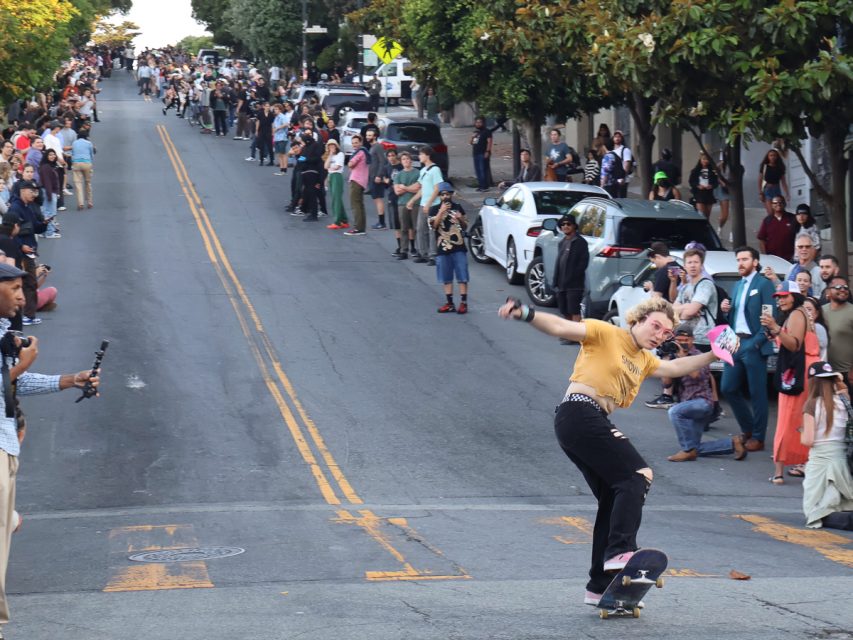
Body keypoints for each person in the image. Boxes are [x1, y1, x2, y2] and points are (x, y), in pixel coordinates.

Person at [497, 296, 721, 605]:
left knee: (613, 495)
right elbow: (561, 326)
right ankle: (619, 551)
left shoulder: (644, 359)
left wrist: (713, 354)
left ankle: (599, 584)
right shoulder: (607, 333)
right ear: (637, 320)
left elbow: (677, 365)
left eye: (666, 332)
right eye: (655, 326)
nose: (659, 334)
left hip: (589, 419)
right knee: (637, 475)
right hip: (579, 412)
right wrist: (525, 313)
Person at [0, 261, 100, 637]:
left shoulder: (5, 334)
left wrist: (69, 380)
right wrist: (18, 368)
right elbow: (6, 383)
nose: (23, 299)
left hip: (6, 443)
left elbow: (13, 388)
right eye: (14, 291)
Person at [760, 281, 819, 484]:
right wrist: (776, 333)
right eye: (778, 297)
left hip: (798, 373)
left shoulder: (796, 314)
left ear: (795, 296)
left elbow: (794, 345)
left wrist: (775, 328)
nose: (781, 300)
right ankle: (805, 463)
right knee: (803, 420)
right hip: (805, 372)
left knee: (787, 420)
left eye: (785, 296)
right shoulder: (799, 313)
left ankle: (778, 471)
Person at [719, 246, 777, 451]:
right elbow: (736, 318)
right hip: (734, 341)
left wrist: (758, 342)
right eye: (738, 260)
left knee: (757, 392)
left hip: (753, 342)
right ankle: (748, 428)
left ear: (755, 262)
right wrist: (726, 310)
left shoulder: (763, 284)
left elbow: (770, 315)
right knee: (727, 387)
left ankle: (759, 437)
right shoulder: (738, 285)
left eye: (744, 259)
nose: (740, 263)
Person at [666, 324, 747, 461]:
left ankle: (686, 450)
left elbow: (695, 374)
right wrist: (667, 359)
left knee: (674, 412)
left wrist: (681, 356)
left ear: (692, 340)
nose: (683, 344)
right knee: (696, 448)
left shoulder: (699, 356)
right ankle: (733, 443)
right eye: (679, 340)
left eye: (686, 340)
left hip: (701, 403)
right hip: (687, 404)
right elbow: (666, 383)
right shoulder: (674, 356)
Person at [801, 361, 853, 530]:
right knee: (834, 493)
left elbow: (808, 440)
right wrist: (837, 378)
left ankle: (844, 521)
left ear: (811, 381)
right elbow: (843, 388)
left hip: (820, 460)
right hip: (840, 458)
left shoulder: (811, 404)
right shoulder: (844, 400)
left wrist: (801, 431)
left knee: (812, 511)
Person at [429, 182, 469, 314]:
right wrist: (441, 212)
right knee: (446, 277)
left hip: (459, 247)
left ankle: (463, 302)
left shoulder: (458, 207)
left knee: (462, 275)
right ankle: (449, 303)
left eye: (447, 194)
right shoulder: (433, 209)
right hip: (443, 247)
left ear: (451, 194)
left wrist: (460, 218)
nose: (445, 197)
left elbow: (465, 226)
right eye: (442, 194)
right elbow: (433, 226)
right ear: (439, 196)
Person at [672, 248, 717, 350]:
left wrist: (682, 312)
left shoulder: (705, 285)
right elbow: (672, 310)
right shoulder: (685, 287)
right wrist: (686, 307)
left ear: (701, 265)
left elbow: (690, 312)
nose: (692, 265)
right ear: (684, 266)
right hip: (684, 338)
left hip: (702, 339)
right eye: (689, 262)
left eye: (696, 262)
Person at [408, 146, 443, 265]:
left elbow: (437, 188)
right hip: (423, 204)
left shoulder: (435, 170)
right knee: (420, 228)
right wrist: (412, 200)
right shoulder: (423, 171)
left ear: (427, 155)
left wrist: (429, 203)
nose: (419, 157)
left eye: (421, 154)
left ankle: (433, 255)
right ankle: (423, 252)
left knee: (431, 229)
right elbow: (422, 189)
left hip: (433, 204)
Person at [763, 232, 824, 298]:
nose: (804, 249)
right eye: (800, 247)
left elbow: (824, 296)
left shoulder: (819, 271)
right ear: (796, 249)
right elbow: (785, 291)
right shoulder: (791, 268)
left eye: (807, 247)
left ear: (812, 249)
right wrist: (774, 278)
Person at [553, 214, 588, 327]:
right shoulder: (562, 242)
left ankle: (575, 334)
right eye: (563, 224)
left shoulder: (580, 242)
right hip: (561, 284)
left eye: (568, 224)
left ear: (574, 226)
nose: (565, 226)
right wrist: (555, 281)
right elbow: (559, 263)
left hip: (574, 285)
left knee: (574, 310)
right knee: (564, 310)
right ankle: (569, 333)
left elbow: (583, 264)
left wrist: (573, 277)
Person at [822, 276, 853, 394]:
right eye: (838, 287)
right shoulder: (820, 311)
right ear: (828, 291)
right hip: (825, 371)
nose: (843, 289)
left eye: (845, 287)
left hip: (847, 374)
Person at [393, 152, 420, 260]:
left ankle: (419, 249)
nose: (406, 161)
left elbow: (418, 188)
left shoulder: (417, 173)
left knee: (416, 227)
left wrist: (404, 187)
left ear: (411, 160)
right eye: (403, 159)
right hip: (402, 203)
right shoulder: (399, 175)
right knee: (404, 227)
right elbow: (397, 191)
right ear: (401, 161)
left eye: (407, 159)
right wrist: (409, 188)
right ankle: (404, 250)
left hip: (416, 203)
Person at [757, 195, 797, 262]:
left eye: (780, 202)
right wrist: (766, 256)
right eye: (775, 203)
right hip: (772, 258)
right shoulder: (767, 220)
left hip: (790, 258)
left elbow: (799, 237)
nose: (778, 204)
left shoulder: (793, 218)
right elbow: (762, 240)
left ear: (784, 204)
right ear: (772, 205)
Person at [344, 134, 368, 236]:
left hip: (356, 180)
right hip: (362, 181)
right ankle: (361, 228)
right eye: (353, 143)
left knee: (355, 205)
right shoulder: (364, 152)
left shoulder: (360, 152)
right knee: (360, 205)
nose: (354, 145)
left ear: (361, 143)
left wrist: (350, 161)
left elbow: (351, 164)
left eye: (356, 142)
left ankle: (358, 228)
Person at [324, 139, 347, 230]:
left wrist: (330, 167)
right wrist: (330, 155)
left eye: (333, 145)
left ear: (336, 146)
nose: (331, 147)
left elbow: (337, 166)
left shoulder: (340, 154)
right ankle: (344, 220)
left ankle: (337, 221)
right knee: (337, 198)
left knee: (336, 199)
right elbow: (325, 166)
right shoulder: (331, 155)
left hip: (337, 176)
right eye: (329, 145)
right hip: (331, 176)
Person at [758, 148, 789, 216]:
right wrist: (760, 193)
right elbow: (760, 180)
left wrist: (787, 194)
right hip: (767, 190)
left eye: (774, 155)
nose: (772, 157)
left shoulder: (780, 167)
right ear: (768, 157)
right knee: (771, 212)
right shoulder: (764, 167)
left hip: (776, 190)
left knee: (778, 211)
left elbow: (783, 182)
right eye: (771, 155)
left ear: (777, 157)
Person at [688, 152, 718, 219]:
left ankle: (706, 228)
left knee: (707, 216)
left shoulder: (712, 171)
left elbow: (716, 182)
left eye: (707, 159)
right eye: (703, 159)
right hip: (699, 194)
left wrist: (711, 186)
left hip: (709, 193)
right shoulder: (695, 171)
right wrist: (698, 185)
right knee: (701, 215)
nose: (705, 161)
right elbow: (691, 181)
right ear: (700, 160)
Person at [367, 130, 387, 229]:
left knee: (378, 199)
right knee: (376, 199)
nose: (367, 137)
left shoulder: (378, 146)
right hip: (372, 177)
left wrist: (379, 175)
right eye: (367, 135)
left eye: (370, 135)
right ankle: (380, 221)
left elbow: (382, 161)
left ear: (375, 136)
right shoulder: (372, 147)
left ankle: (382, 222)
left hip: (376, 177)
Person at [70, 130, 94, 210]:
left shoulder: (74, 143)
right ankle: (89, 201)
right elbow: (91, 154)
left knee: (78, 184)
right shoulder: (89, 143)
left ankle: (80, 203)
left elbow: (72, 153)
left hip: (76, 163)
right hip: (87, 163)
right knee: (88, 182)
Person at [470, 116, 492, 192]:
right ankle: (480, 185)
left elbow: (489, 142)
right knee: (478, 170)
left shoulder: (487, 131)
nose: (478, 124)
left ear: (483, 123)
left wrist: (487, 151)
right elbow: (471, 143)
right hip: (476, 153)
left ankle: (485, 186)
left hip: (483, 153)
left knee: (483, 169)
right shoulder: (476, 132)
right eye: (477, 122)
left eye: (480, 122)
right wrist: (472, 137)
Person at [611, 130, 633, 198]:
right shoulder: (612, 151)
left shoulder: (625, 150)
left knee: (621, 198)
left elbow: (627, 164)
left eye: (619, 136)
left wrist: (623, 177)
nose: (617, 138)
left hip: (622, 180)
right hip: (614, 180)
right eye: (615, 136)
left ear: (622, 138)